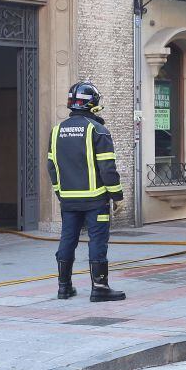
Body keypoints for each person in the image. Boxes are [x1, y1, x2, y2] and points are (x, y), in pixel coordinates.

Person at [48, 80, 126, 302]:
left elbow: (51, 167)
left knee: (67, 240)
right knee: (97, 242)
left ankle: (64, 287)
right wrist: (117, 197)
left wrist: (60, 192)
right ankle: (99, 287)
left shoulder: (56, 131)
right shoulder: (98, 130)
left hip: (69, 201)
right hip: (95, 201)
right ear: (92, 104)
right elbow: (108, 169)